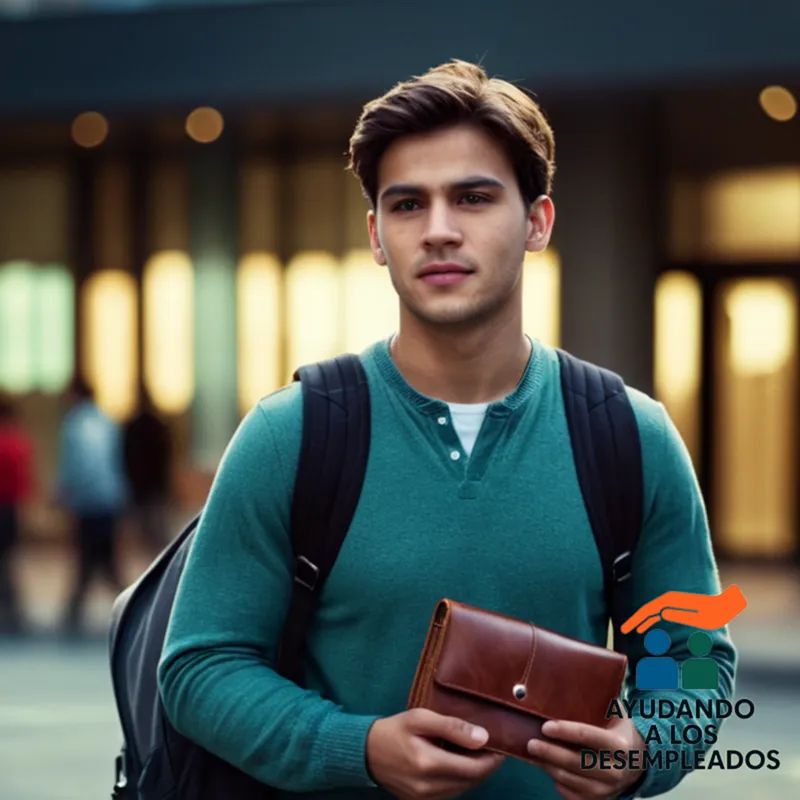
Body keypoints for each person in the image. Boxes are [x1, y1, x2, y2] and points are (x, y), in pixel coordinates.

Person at [158, 60, 737, 799]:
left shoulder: (631, 436)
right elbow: (199, 667)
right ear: (375, 235)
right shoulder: (290, 435)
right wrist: (358, 748)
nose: (437, 230)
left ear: (537, 222)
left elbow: (694, 660)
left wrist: (644, 749)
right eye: (407, 205)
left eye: (473, 198)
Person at [55, 377, 127, 634]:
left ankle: (75, 613)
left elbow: (75, 467)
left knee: (90, 560)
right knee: (104, 560)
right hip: (109, 499)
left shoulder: (74, 425)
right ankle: (127, 608)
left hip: (88, 502)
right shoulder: (107, 422)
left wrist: (63, 494)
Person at [122, 389, 173, 556]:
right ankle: (162, 560)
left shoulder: (134, 427)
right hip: (154, 485)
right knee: (156, 528)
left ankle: (158, 561)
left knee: (149, 529)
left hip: (141, 485)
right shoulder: (158, 426)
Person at [0, 397, 33, 634]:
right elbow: (24, 478)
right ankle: (13, 609)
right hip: (10, 508)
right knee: (7, 559)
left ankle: (12, 607)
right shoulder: (18, 441)